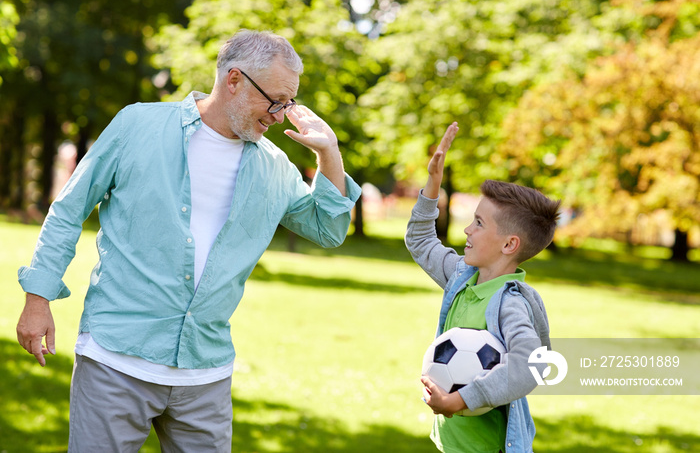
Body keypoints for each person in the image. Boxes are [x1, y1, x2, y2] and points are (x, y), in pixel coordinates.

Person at [15, 29, 361, 452]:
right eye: (274, 100)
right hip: (116, 359)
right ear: (233, 80)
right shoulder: (137, 125)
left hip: (205, 375)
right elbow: (69, 210)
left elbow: (328, 229)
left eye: (289, 103)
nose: (279, 114)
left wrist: (329, 153)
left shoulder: (275, 167)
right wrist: (38, 297)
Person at [405, 122, 560, 453]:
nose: (466, 230)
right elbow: (419, 241)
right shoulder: (462, 277)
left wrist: (460, 400)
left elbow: (531, 364)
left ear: (509, 245)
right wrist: (433, 185)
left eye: (478, 223)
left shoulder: (509, 305)